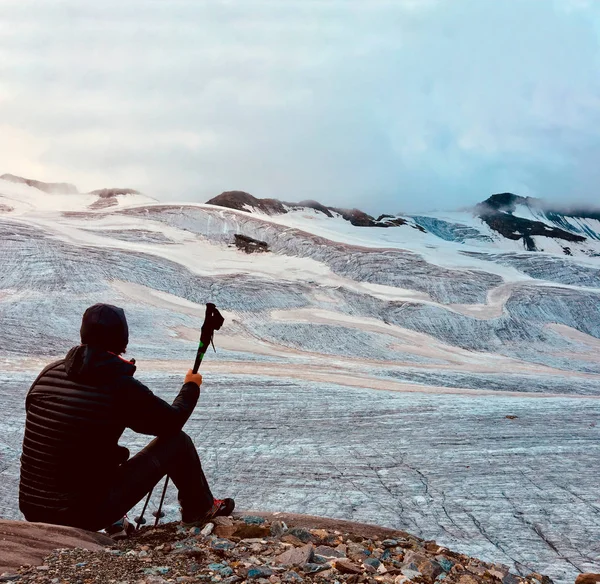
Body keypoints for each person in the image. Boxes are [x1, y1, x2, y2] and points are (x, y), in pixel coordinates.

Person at [19, 303, 234, 533]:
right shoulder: (118, 384)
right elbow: (171, 423)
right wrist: (191, 387)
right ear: (122, 340)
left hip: (33, 508)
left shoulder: (49, 373)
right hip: (82, 513)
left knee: (94, 456)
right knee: (177, 443)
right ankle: (200, 509)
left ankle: (115, 521)